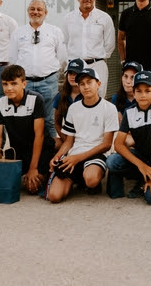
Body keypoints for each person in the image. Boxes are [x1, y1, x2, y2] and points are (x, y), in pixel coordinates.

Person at [47, 68, 119, 203]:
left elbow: (107, 144)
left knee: (91, 180)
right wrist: (57, 157)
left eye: (89, 82)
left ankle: (88, 179)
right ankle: (78, 178)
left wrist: (78, 158)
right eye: (82, 84)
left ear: (98, 84)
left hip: (95, 153)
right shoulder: (74, 108)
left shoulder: (109, 108)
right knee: (54, 196)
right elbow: (69, 141)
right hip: (75, 153)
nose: (85, 87)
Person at [107, 70, 151, 205]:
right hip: (141, 156)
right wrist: (142, 166)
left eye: (147, 91)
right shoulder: (129, 112)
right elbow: (118, 144)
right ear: (134, 93)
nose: (143, 95)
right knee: (112, 161)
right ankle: (141, 175)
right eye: (139, 91)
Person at [0, 65, 55, 195]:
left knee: (32, 188)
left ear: (24, 84)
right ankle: (24, 174)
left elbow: (39, 135)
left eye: (14, 83)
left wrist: (33, 168)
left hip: (41, 149)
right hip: (17, 151)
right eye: (5, 84)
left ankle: (47, 174)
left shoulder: (36, 99)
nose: (9, 88)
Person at [9, 0, 67, 145]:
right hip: (25, 83)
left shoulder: (55, 31)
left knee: (49, 119)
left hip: (48, 81)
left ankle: (49, 154)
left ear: (45, 12)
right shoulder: (18, 32)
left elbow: (62, 57)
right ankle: (26, 152)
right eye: (32, 9)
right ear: (28, 11)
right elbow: (13, 58)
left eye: (39, 9)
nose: (36, 12)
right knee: (25, 117)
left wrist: (48, 70)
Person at [62, 0, 115, 98]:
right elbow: (64, 43)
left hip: (97, 65)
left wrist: (97, 58)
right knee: (73, 100)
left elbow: (110, 44)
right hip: (75, 67)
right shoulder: (68, 19)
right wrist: (70, 62)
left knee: (98, 99)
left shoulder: (104, 18)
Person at [53, 59, 85, 144]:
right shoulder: (60, 96)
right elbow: (57, 123)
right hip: (67, 138)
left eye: (76, 73)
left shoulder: (88, 95)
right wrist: (67, 141)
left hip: (85, 139)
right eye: (70, 73)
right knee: (49, 143)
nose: (72, 76)